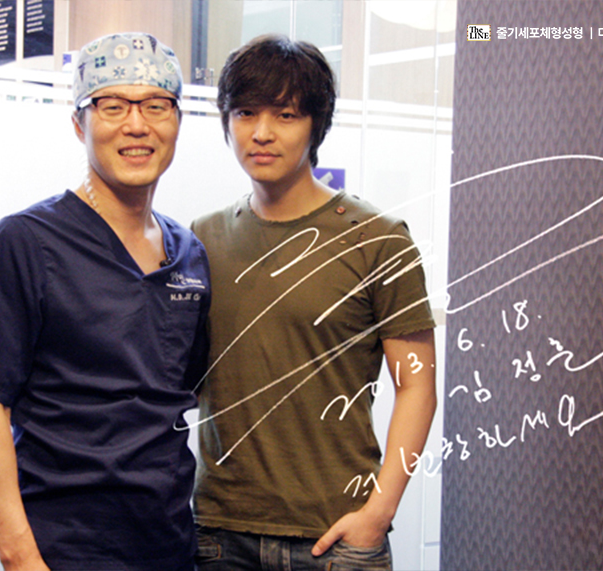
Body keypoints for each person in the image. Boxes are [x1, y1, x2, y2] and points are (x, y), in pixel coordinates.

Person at [0, 32, 208, 571]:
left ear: (177, 122)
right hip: (62, 550)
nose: (137, 125)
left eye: (156, 105)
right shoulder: (26, 242)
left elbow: (185, 394)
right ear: (79, 124)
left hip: (170, 545)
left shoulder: (189, 254)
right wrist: (19, 555)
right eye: (113, 106)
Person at [191, 34, 437, 570]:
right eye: (245, 113)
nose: (261, 132)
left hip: (337, 537)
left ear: (316, 124)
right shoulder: (202, 238)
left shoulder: (378, 239)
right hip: (220, 533)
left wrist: (378, 513)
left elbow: (417, 386)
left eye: (285, 115)